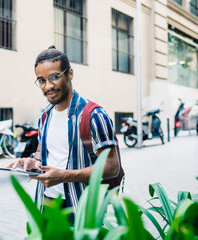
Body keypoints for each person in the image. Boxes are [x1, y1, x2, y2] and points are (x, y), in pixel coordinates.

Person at [6, 46, 120, 220]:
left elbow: (112, 167)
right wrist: (31, 161)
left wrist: (65, 176)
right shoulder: (45, 116)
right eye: (41, 80)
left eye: (54, 77)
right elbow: (41, 153)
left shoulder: (94, 115)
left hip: (82, 207)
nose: (48, 86)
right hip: (48, 204)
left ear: (70, 74)